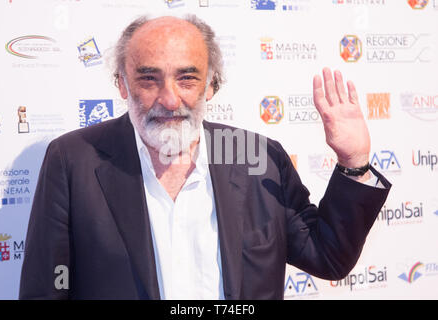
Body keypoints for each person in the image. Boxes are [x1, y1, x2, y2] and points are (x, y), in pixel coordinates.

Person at [19, 14, 391, 300]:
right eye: (149, 79)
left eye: (187, 78)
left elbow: (328, 257)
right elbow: (46, 286)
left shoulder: (257, 157)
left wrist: (354, 161)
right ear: (122, 83)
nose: (168, 99)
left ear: (211, 84)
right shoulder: (73, 160)